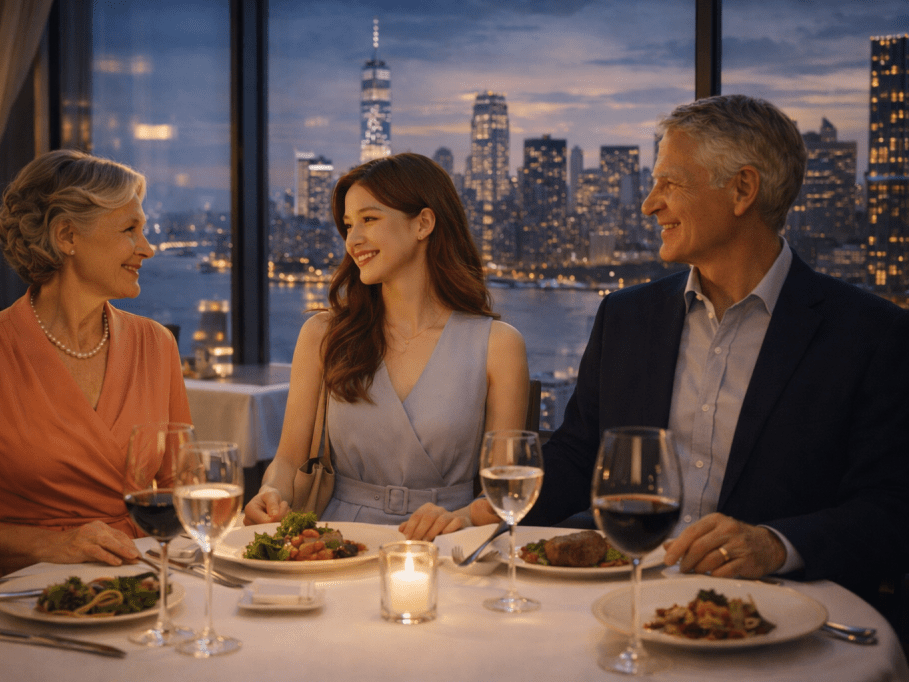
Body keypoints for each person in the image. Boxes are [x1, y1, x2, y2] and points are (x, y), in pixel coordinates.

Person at [526, 94, 909, 604]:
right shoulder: (625, 317)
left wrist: (776, 545)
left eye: (670, 183)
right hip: (627, 598)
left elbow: (891, 510)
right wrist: (490, 506)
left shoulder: (872, 335)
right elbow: (579, 456)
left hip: (778, 617)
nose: (649, 203)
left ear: (742, 189)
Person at [0, 150, 191, 682]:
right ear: (66, 236)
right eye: (129, 230)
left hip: (125, 598)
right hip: (4, 606)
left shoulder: (156, 346)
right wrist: (53, 544)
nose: (146, 248)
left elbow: (179, 487)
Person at [243, 153, 529, 539]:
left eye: (369, 219)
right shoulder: (322, 335)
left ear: (423, 223)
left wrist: (460, 519)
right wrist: (271, 492)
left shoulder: (499, 346)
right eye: (347, 225)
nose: (352, 239)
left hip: (445, 543)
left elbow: (506, 490)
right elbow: (289, 459)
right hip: (338, 544)